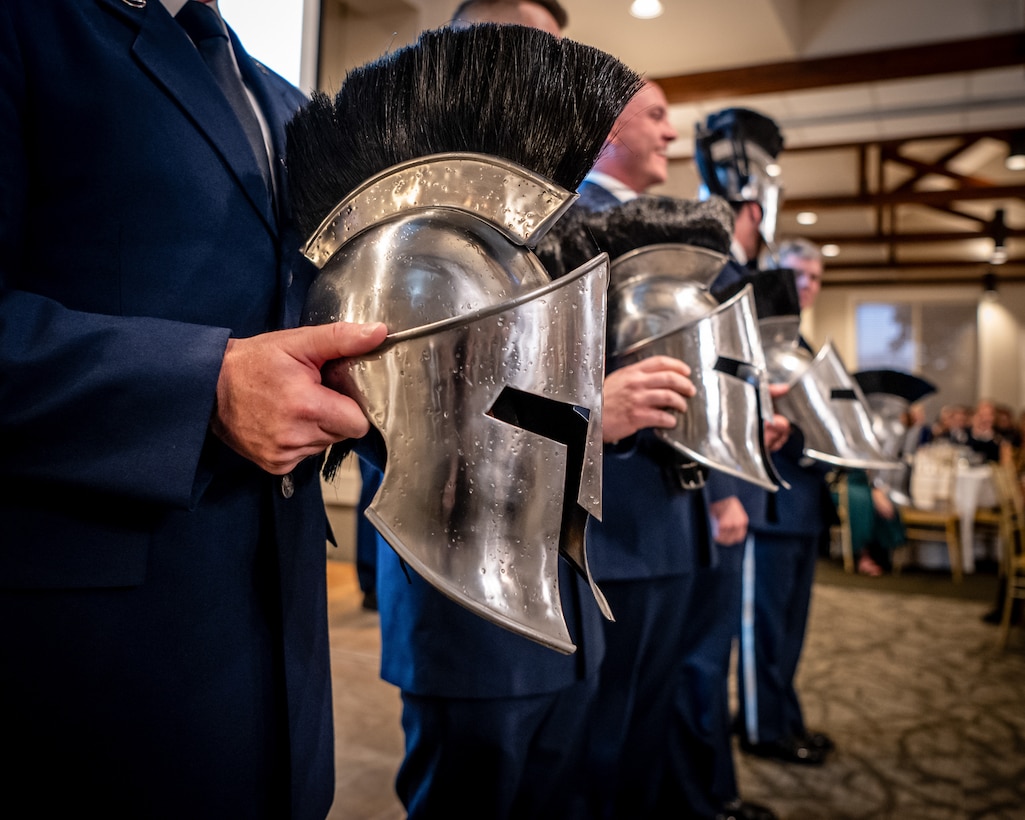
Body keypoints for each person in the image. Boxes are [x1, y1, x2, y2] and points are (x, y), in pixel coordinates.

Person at [0, 2, 389, 817]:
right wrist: (203, 385)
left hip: (277, 635)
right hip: (90, 652)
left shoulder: (282, 98)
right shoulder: (29, 28)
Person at [369, 6, 649, 818]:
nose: (556, 80)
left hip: (562, 589)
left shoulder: (538, 230)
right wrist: (593, 419)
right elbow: (403, 418)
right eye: (536, 54)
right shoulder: (413, 220)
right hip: (464, 602)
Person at [575, 83, 778, 820]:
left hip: (673, 513)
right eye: (656, 116)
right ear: (608, 133)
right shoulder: (571, 221)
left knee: (650, 718)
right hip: (619, 518)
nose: (671, 134)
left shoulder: (668, 230)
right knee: (606, 731)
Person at [735, 237, 837, 766]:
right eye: (799, 276)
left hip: (806, 504)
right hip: (770, 505)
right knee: (766, 628)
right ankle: (763, 728)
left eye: (816, 278)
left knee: (791, 631)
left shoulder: (803, 345)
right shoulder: (757, 340)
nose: (808, 286)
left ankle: (784, 715)